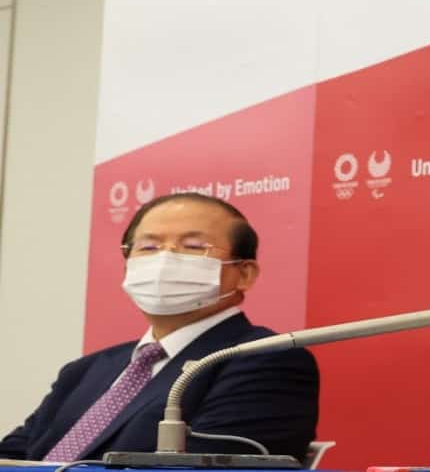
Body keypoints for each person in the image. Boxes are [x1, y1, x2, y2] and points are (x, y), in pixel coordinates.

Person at [0, 193, 319, 462]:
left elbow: (206, 468)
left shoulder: (265, 360)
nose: (165, 259)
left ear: (244, 273)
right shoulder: (85, 370)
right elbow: (15, 455)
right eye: (149, 248)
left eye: (193, 246)